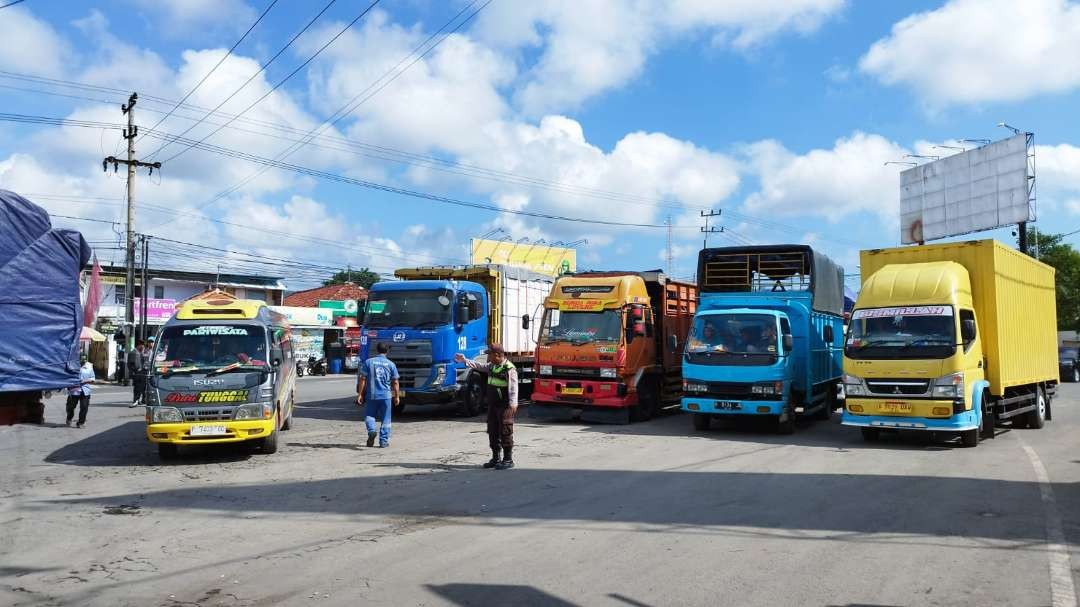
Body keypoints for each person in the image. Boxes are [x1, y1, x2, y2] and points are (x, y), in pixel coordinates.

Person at [455, 344, 518, 470]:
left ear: (497, 355)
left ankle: (508, 459)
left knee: (505, 431)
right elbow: (479, 366)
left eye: (489, 354)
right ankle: (496, 458)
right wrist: (465, 360)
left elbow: (513, 388)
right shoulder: (492, 366)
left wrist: (513, 404)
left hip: (505, 406)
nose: (487, 356)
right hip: (493, 405)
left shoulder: (509, 368)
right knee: (492, 431)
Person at [356, 342, 400, 448]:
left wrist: (360, 394)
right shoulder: (391, 364)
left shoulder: (368, 362)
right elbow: (395, 382)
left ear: (377, 350)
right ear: (387, 351)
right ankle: (383, 441)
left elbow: (362, 379)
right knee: (386, 419)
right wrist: (397, 396)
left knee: (369, 415)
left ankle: (371, 431)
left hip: (372, 395)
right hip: (386, 396)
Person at [66, 354, 95, 428]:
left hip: (85, 391)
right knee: (71, 407)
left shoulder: (89, 367)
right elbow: (68, 377)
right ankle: (69, 418)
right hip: (74, 390)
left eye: (85, 359)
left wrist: (84, 381)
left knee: (84, 407)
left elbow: (92, 378)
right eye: (81, 359)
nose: (83, 361)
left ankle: (81, 422)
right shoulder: (73, 366)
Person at [129, 340, 151, 408]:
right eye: (142, 345)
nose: (143, 347)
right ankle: (135, 401)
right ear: (139, 345)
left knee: (141, 387)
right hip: (137, 373)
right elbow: (131, 364)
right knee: (137, 388)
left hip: (141, 372)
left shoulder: (139, 352)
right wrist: (134, 371)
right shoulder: (134, 352)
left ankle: (138, 400)